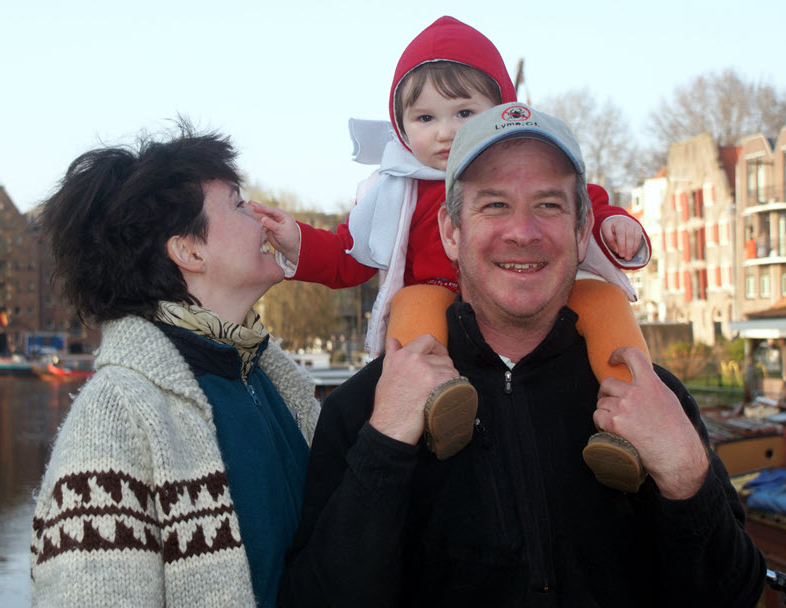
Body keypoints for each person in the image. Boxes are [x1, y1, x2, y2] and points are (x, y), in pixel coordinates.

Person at [278, 102, 765, 607]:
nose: (523, 232)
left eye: (549, 205)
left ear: (582, 233)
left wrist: (687, 473)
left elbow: (734, 595)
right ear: (450, 230)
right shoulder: (364, 410)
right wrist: (384, 446)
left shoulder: (652, 400)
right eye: (494, 205)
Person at [257, 17, 653, 481]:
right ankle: (437, 403)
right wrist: (297, 242)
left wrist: (617, 227)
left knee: (602, 299)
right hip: (442, 304)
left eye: (464, 114)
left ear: (501, 109)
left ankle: (632, 413)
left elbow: (586, 205)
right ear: (401, 126)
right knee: (414, 300)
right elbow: (350, 255)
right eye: (425, 118)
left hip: (540, 299)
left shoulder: (528, 165)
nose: (445, 132)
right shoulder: (394, 191)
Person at [30, 124, 320, 607]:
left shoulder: (267, 379)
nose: (265, 219)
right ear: (190, 250)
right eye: (238, 203)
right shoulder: (114, 418)